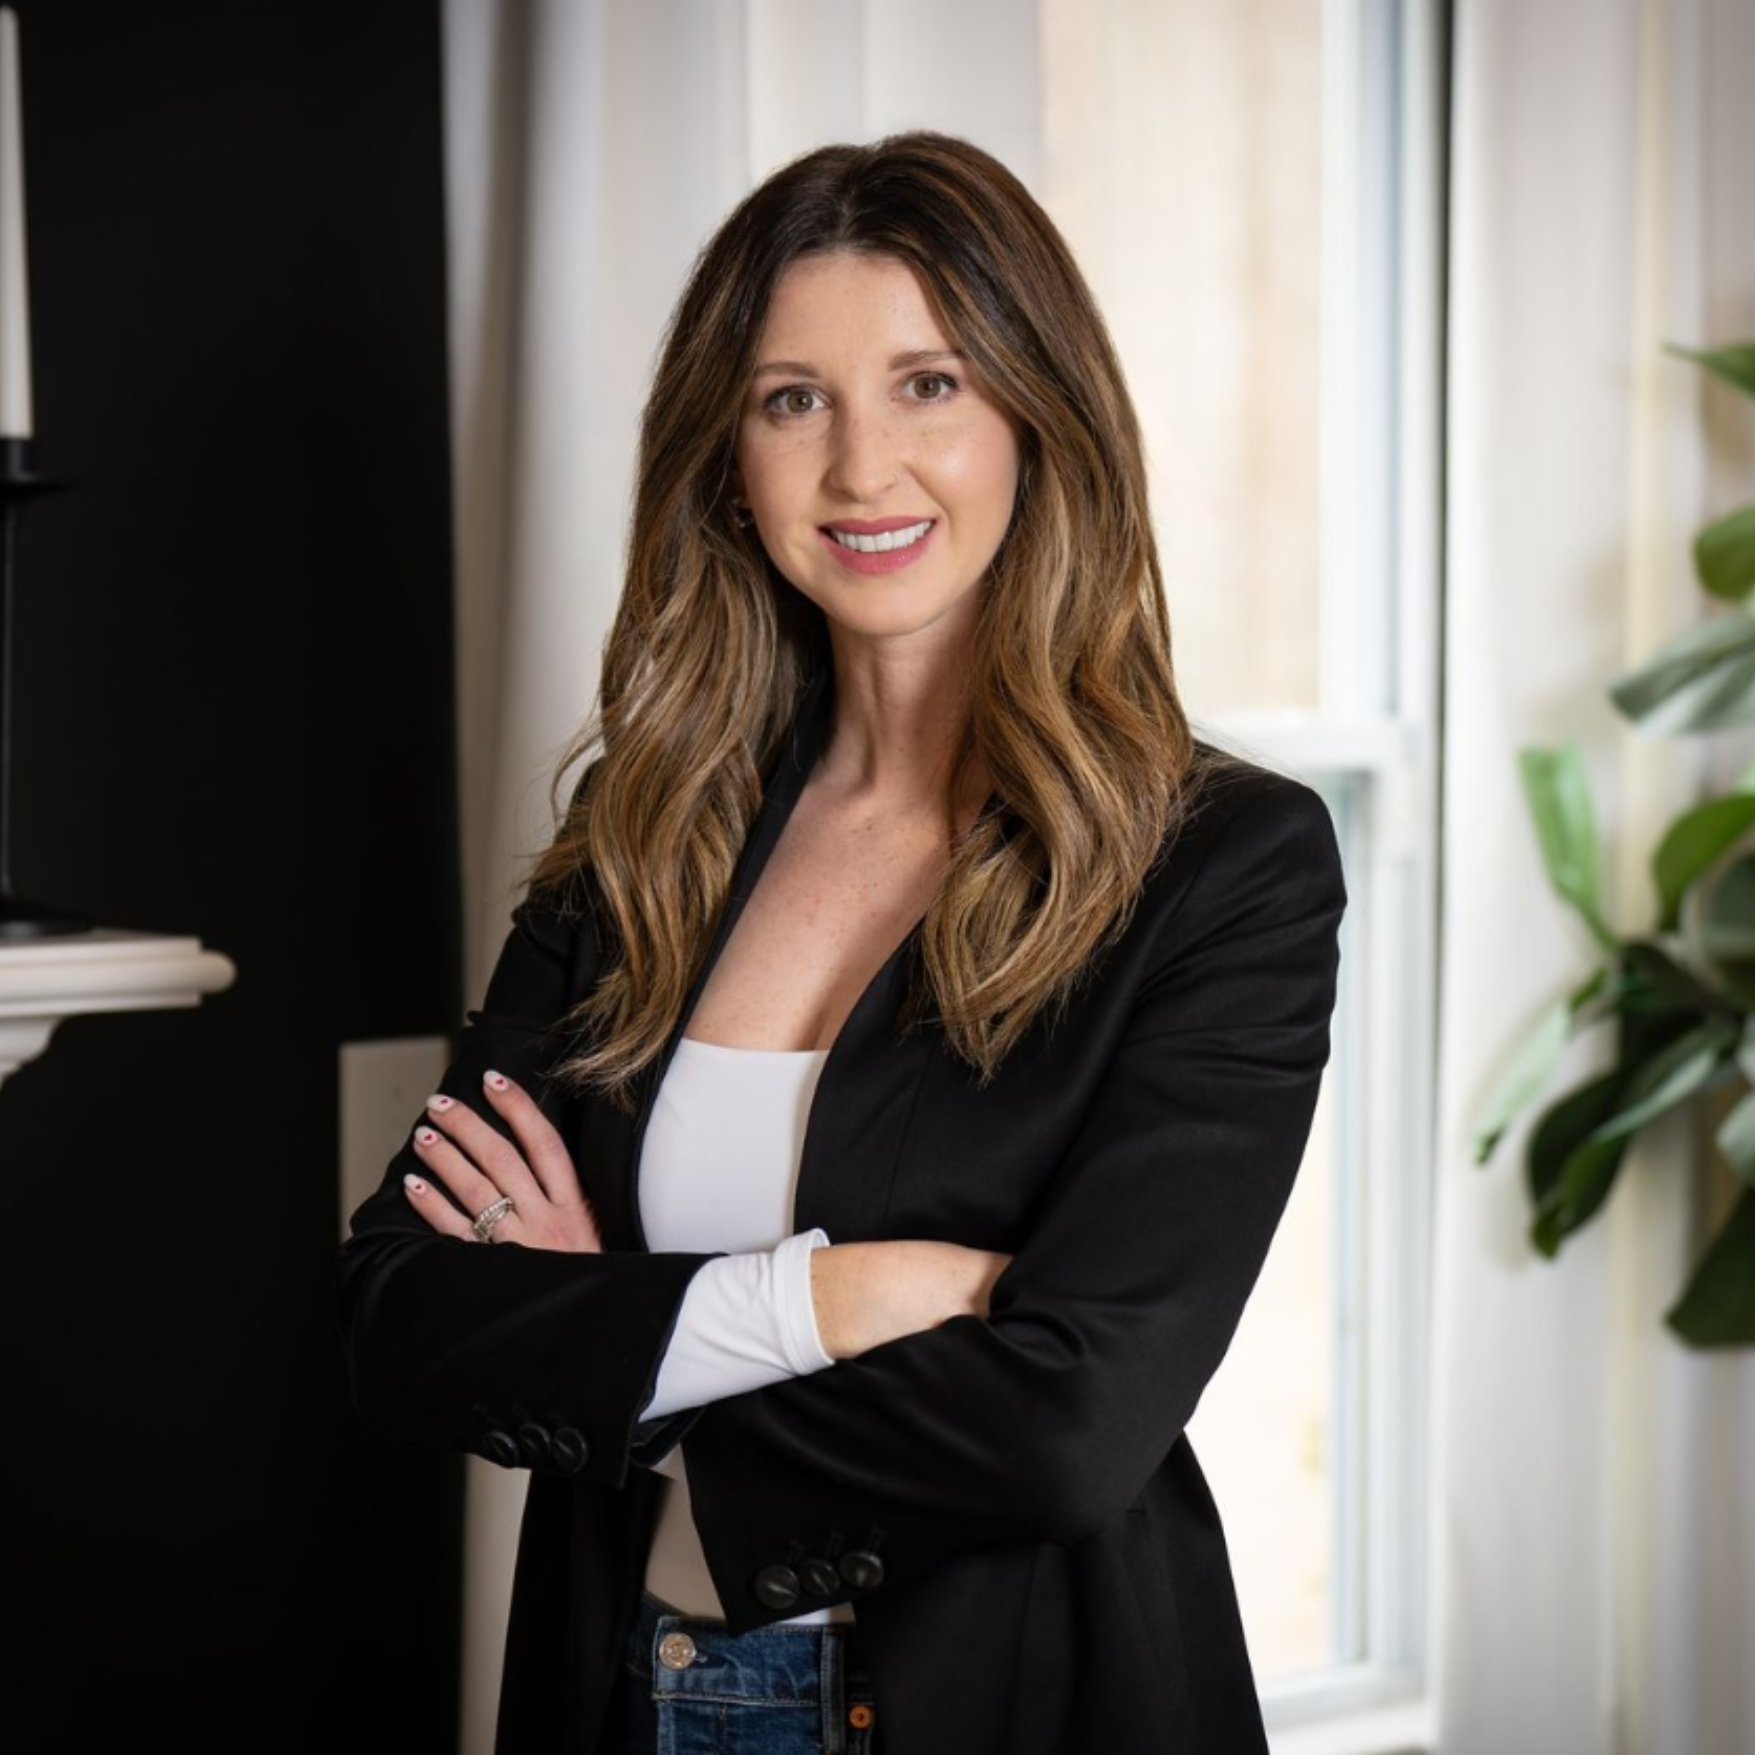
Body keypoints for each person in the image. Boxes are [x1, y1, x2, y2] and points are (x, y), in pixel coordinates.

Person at [336, 129, 1348, 1755]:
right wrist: (840, 1301)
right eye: (791, 397)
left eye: (929, 383)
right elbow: (398, 1311)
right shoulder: (643, 833)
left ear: (1038, 410)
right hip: (629, 1688)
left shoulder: (1222, 863)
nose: (861, 466)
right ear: (727, 454)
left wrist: (624, 1333)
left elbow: (1070, 1425)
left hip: (1020, 1699)